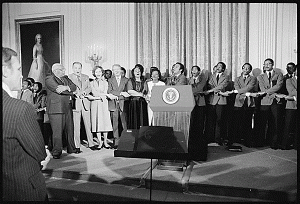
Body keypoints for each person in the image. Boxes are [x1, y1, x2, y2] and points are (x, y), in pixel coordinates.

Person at [2, 47, 49, 201]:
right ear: (5, 71)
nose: (22, 74)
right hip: (21, 190)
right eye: (18, 69)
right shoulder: (19, 109)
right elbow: (39, 153)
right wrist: (46, 155)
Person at [45, 63, 78, 159]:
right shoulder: (49, 79)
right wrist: (71, 91)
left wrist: (67, 87)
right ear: (56, 71)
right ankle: (56, 151)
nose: (64, 71)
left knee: (70, 129)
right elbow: (59, 90)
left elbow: (74, 86)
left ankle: (71, 148)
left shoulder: (66, 78)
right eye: (62, 69)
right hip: (56, 108)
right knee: (57, 131)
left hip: (67, 106)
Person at [68, 62, 97, 151]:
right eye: (76, 68)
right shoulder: (69, 78)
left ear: (81, 68)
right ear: (73, 68)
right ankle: (77, 146)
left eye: (79, 68)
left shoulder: (86, 77)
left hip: (86, 103)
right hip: (76, 103)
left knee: (88, 125)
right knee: (76, 126)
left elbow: (89, 87)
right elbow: (69, 89)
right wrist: (77, 93)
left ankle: (91, 143)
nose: (77, 70)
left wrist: (86, 92)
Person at [227, 63, 257, 147]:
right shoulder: (237, 79)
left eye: (248, 68)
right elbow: (237, 87)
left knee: (247, 122)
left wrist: (237, 92)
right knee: (235, 122)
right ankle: (233, 140)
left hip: (248, 102)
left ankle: (247, 141)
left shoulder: (253, 78)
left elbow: (249, 88)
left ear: (250, 70)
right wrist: (244, 93)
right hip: (238, 101)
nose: (245, 70)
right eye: (244, 68)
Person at [256, 58, 283, 149]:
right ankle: (260, 142)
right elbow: (262, 88)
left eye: (269, 64)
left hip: (275, 101)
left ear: (272, 65)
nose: (267, 65)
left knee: (275, 122)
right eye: (265, 64)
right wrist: (272, 93)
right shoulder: (260, 76)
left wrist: (268, 92)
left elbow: (278, 86)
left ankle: (273, 143)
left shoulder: (279, 75)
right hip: (265, 101)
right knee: (262, 122)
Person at [204, 62, 228, 146]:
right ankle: (210, 138)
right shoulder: (212, 76)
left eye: (220, 66)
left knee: (219, 120)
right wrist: (211, 89)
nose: (218, 68)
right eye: (217, 66)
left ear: (223, 69)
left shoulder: (226, 77)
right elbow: (209, 85)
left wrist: (210, 91)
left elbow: (221, 86)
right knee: (210, 120)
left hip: (221, 101)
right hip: (212, 100)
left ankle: (218, 139)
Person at [89, 66, 113, 149]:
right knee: (97, 122)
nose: (98, 73)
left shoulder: (106, 82)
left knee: (105, 122)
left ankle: (105, 142)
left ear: (102, 72)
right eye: (96, 72)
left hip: (104, 104)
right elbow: (94, 93)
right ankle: (100, 142)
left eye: (99, 72)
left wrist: (98, 97)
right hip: (95, 104)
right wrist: (102, 96)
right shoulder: (91, 83)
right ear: (94, 73)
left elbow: (106, 92)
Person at [107, 64, 129, 149]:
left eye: (117, 69)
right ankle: (116, 141)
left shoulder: (126, 80)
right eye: (114, 69)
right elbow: (110, 91)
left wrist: (118, 95)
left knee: (124, 123)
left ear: (120, 70)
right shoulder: (110, 80)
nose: (116, 71)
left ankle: (125, 141)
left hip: (123, 103)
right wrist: (120, 93)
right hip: (113, 104)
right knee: (115, 124)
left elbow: (127, 92)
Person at [188, 65, 207, 160]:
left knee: (200, 122)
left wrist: (191, 89)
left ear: (199, 72)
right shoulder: (188, 80)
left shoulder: (202, 79)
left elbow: (198, 89)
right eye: (192, 69)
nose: (193, 71)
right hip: (190, 103)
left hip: (200, 103)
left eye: (195, 69)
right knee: (192, 122)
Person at [127, 64, 149, 129]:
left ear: (141, 72)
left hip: (142, 103)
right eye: (136, 71)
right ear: (133, 72)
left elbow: (145, 91)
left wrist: (139, 94)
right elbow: (130, 91)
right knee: (134, 118)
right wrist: (140, 94)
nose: (137, 72)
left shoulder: (144, 81)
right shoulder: (130, 81)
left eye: (139, 71)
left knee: (142, 118)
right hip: (133, 102)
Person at [281, 67, 297, 150]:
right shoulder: (289, 80)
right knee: (288, 126)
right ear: (295, 71)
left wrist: (294, 97)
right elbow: (292, 92)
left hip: (294, 101)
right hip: (291, 106)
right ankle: (285, 145)